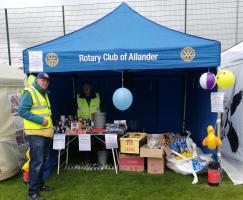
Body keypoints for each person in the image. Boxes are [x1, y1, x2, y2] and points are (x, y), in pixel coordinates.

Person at [18, 73, 53, 200]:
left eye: (47, 81)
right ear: (37, 80)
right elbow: (21, 110)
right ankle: (32, 192)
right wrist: (40, 120)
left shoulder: (43, 93)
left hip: (44, 134)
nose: (45, 82)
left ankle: (39, 184)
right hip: (36, 134)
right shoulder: (30, 91)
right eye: (43, 80)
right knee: (36, 163)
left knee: (42, 162)